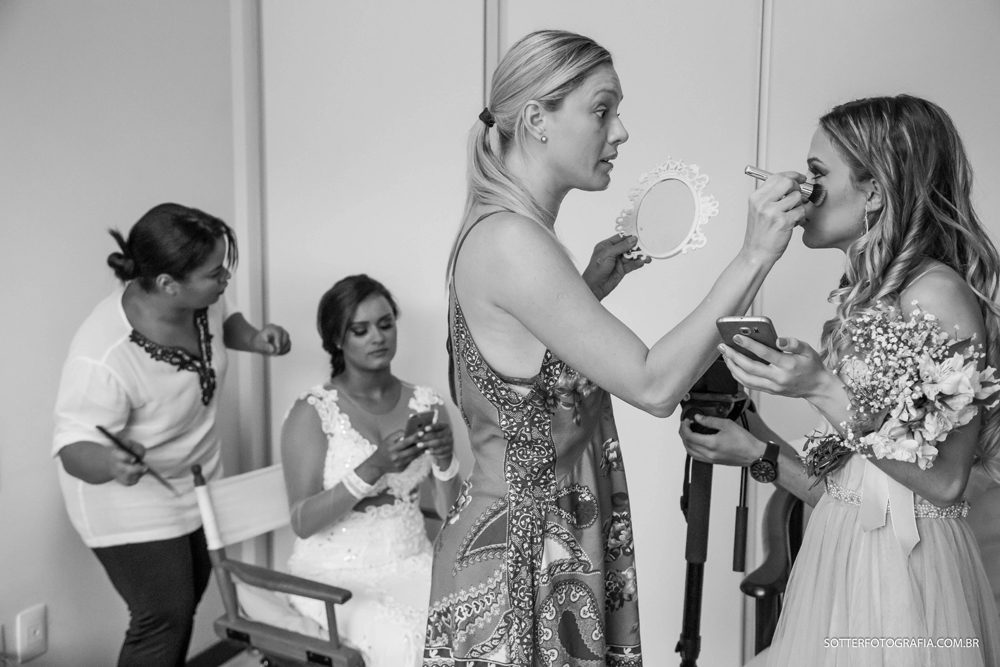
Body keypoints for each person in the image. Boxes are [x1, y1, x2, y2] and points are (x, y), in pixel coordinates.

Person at [423, 29, 805, 665]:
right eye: (602, 110)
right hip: (523, 568)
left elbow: (526, 378)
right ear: (538, 119)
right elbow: (654, 385)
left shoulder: (506, 233)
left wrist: (585, 290)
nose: (621, 131)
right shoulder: (513, 242)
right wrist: (755, 255)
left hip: (548, 547)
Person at [679, 95, 1000, 666]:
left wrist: (820, 387)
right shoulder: (865, 301)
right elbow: (854, 491)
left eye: (817, 175)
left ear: (874, 190)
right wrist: (756, 444)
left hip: (906, 580)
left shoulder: (936, 293)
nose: (802, 190)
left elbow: (945, 484)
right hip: (843, 562)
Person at [52, 203, 290, 667]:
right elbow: (72, 446)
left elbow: (226, 322)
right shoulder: (102, 355)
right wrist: (112, 463)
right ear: (167, 284)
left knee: (194, 587)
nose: (225, 280)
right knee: (163, 614)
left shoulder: (203, 297)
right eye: (215, 273)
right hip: (127, 494)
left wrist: (256, 338)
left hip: (195, 475)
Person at [280, 274, 462, 666]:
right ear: (337, 339)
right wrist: (373, 467)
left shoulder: (425, 402)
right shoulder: (312, 411)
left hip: (414, 559)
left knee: (474, 615)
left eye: (385, 324)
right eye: (360, 330)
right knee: (410, 640)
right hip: (333, 577)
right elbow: (301, 522)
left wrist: (446, 462)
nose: (378, 338)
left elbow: (454, 518)